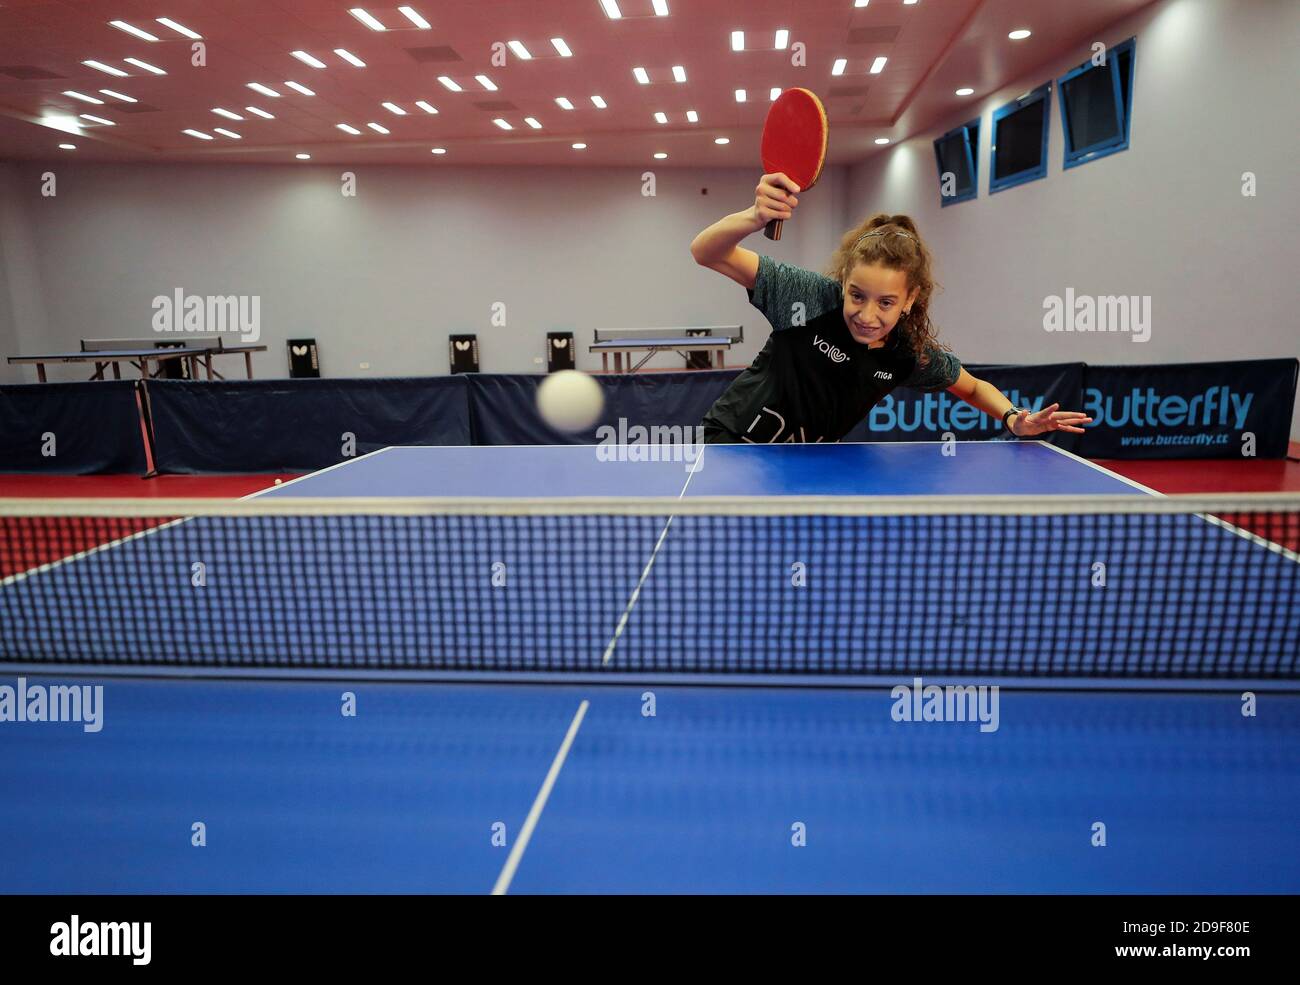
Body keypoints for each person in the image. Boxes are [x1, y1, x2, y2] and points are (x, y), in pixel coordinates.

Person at [690, 172, 1092, 444]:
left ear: (910, 299)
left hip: (806, 463)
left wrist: (1013, 418)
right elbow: (706, 251)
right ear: (844, 281)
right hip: (732, 443)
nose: (867, 316)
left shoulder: (906, 352)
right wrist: (753, 216)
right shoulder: (809, 297)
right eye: (857, 295)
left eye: (886, 303)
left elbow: (970, 386)